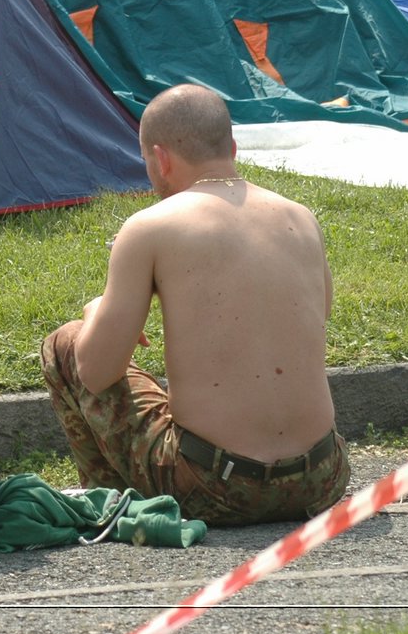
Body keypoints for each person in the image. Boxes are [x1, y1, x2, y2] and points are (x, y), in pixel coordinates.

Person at [40, 83, 349, 526]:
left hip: (216, 487)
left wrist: (96, 310)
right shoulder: (300, 215)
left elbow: (97, 372)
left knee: (66, 344)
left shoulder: (149, 227)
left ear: (160, 158)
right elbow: (321, 315)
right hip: (322, 478)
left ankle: (113, 502)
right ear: (233, 148)